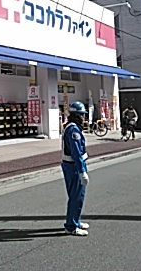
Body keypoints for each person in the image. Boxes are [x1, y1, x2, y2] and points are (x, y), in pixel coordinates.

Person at [61, 101, 90, 237]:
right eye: (82, 115)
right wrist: (82, 171)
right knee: (76, 196)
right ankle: (71, 226)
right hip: (73, 166)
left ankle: (76, 221)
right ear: (76, 115)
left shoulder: (71, 127)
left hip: (72, 165)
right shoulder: (73, 130)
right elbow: (76, 152)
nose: (83, 117)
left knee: (76, 195)